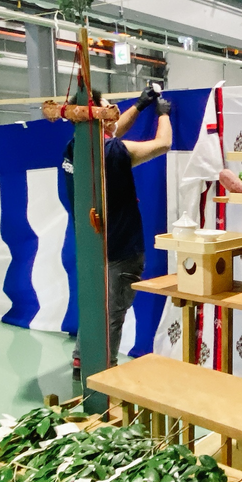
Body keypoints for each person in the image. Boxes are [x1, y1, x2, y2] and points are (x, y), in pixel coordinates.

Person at [61, 83, 172, 372]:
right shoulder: (113, 152)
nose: (114, 111)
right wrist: (163, 114)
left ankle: (81, 357)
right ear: (98, 117)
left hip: (92, 247)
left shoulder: (75, 148)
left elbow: (110, 132)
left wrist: (140, 105)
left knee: (93, 306)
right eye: (108, 108)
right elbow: (163, 144)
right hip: (121, 249)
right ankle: (104, 370)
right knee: (112, 313)